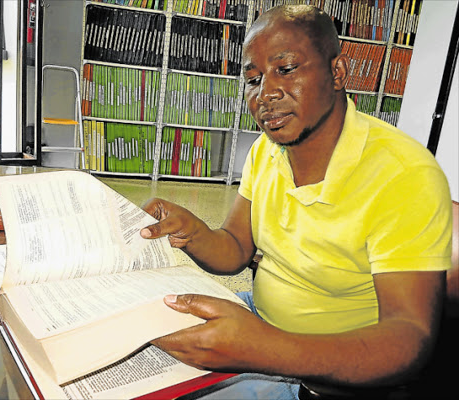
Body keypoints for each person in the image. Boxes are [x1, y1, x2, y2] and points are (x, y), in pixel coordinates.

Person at [140, 5, 452, 399]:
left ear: (337, 73)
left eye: (285, 70)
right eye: (253, 79)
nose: (265, 93)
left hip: (320, 370)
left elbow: (409, 340)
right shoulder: (265, 151)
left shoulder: (404, 174)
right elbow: (236, 251)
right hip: (258, 317)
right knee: (125, 349)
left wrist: (262, 349)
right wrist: (194, 232)